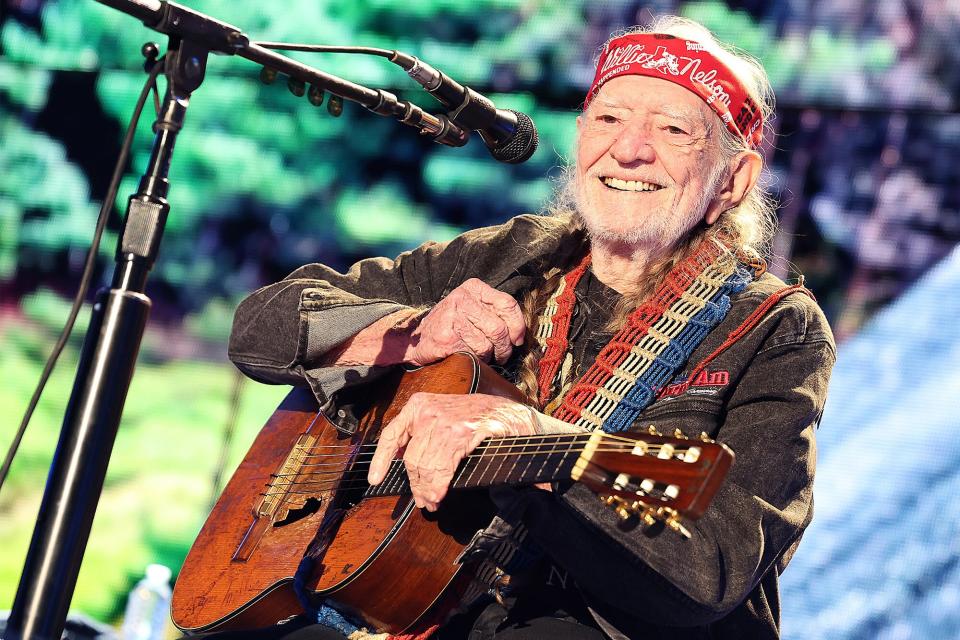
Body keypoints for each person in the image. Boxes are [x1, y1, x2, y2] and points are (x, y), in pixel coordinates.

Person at [226, 15, 835, 640]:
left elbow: (716, 566)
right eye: (608, 119)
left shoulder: (776, 327)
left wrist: (531, 441)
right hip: (407, 605)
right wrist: (416, 334)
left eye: (673, 130)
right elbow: (258, 328)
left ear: (733, 181)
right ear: (579, 140)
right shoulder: (510, 255)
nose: (628, 150)